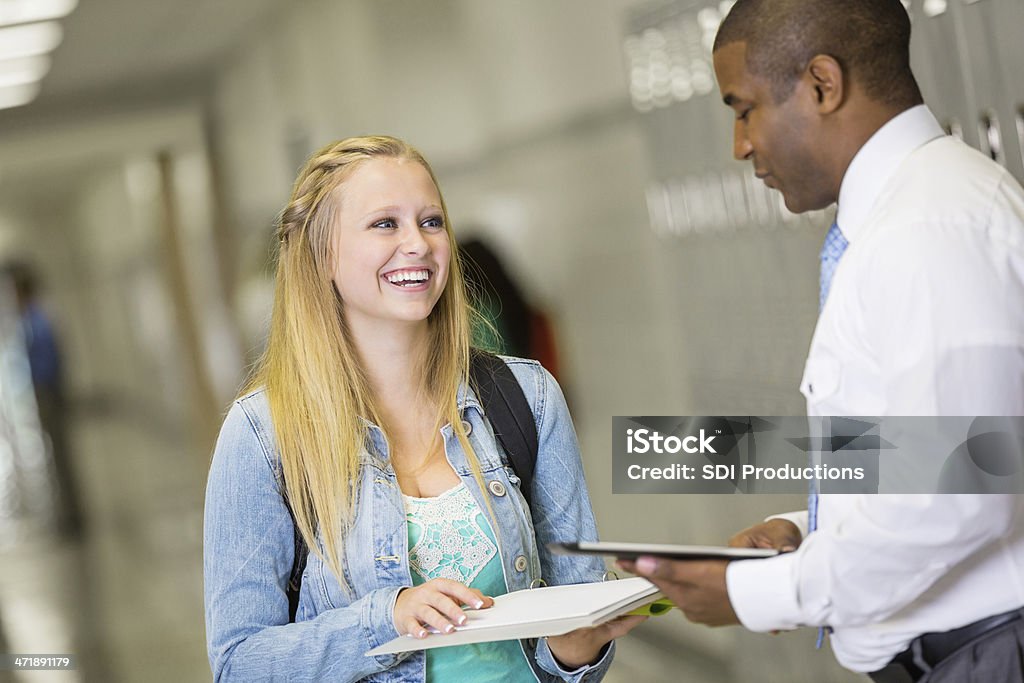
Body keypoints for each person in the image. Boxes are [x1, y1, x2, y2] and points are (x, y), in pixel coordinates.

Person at [621, 1, 1024, 681]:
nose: (739, 145)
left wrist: (758, 592)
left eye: (743, 108)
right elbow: (916, 459)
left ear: (821, 84)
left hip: (988, 654)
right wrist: (806, 532)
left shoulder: (930, 230)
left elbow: (963, 493)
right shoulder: (899, 223)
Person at [203, 136, 643, 682]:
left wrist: (579, 649)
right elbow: (238, 664)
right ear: (320, 254)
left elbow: (574, 640)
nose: (417, 243)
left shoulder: (527, 397)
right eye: (385, 224)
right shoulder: (263, 435)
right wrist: (384, 620)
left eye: (431, 221)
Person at [1, 260, 82, 537]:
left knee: (62, 457)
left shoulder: (39, 318)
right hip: (43, 392)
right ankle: (67, 513)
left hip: (48, 392)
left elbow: (50, 359)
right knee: (56, 458)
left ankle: (72, 517)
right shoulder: (32, 318)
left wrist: (47, 389)